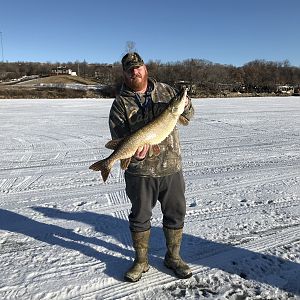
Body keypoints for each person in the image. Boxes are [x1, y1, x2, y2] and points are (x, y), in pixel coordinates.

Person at [109, 52, 194, 282]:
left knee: (176, 214)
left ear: (145, 68)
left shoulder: (166, 91)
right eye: (129, 70)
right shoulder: (119, 104)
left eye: (138, 67)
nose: (134, 72)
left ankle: (173, 257)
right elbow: (119, 137)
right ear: (125, 74)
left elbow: (188, 117)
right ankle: (141, 261)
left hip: (171, 168)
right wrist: (134, 156)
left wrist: (185, 104)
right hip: (140, 174)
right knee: (139, 217)